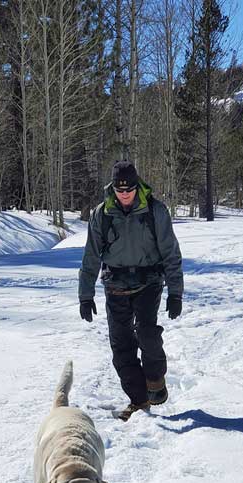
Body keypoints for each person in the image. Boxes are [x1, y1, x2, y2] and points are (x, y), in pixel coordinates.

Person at [79, 161, 184, 421]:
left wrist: (175, 293)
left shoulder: (155, 211)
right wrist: (85, 295)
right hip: (115, 284)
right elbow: (91, 256)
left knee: (147, 333)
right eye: (119, 190)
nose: (124, 195)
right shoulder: (101, 214)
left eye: (129, 189)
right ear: (113, 188)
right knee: (121, 346)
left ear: (137, 186)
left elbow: (171, 253)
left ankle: (155, 380)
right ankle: (139, 400)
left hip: (148, 281)